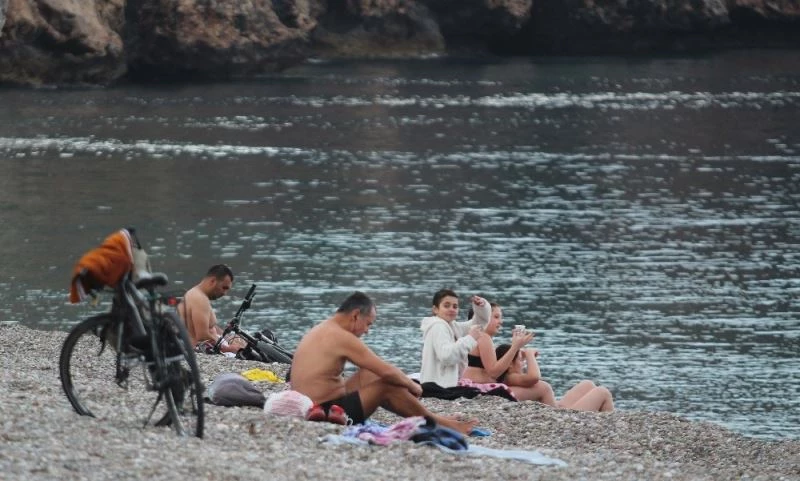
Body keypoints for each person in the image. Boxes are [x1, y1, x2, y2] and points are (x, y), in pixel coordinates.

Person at [290, 291, 478, 435]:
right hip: (325, 412)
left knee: (371, 374)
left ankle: (434, 418)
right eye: (368, 324)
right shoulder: (341, 336)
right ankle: (440, 424)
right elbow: (385, 370)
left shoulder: (324, 328)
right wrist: (413, 386)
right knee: (386, 385)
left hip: (314, 404)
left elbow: (375, 369)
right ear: (355, 315)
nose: (367, 331)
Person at [494, 342, 615, 412]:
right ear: (510, 364)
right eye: (521, 360)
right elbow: (534, 377)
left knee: (587, 384)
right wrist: (530, 355)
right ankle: (611, 429)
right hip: (561, 417)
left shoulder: (509, 379)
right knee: (603, 392)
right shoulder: (510, 378)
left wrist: (522, 355)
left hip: (558, 409)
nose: (523, 364)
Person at [419, 289, 483, 388]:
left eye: (455, 306)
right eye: (446, 306)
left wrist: (481, 308)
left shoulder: (453, 326)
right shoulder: (438, 327)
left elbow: (479, 324)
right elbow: (447, 357)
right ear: (435, 309)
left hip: (442, 386)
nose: (451, 309)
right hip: (437, 387)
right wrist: (470, 338)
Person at [178, 264, 245, 354]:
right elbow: (202, 336)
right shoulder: (199, 299)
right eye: (224, 288)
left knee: (243, 341)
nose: (225, 293)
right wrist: (229, 348)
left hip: (215, 345)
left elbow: (209, 327)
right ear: (213, 281)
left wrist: (228, 338)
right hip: (205, 350)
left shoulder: (197, 294)